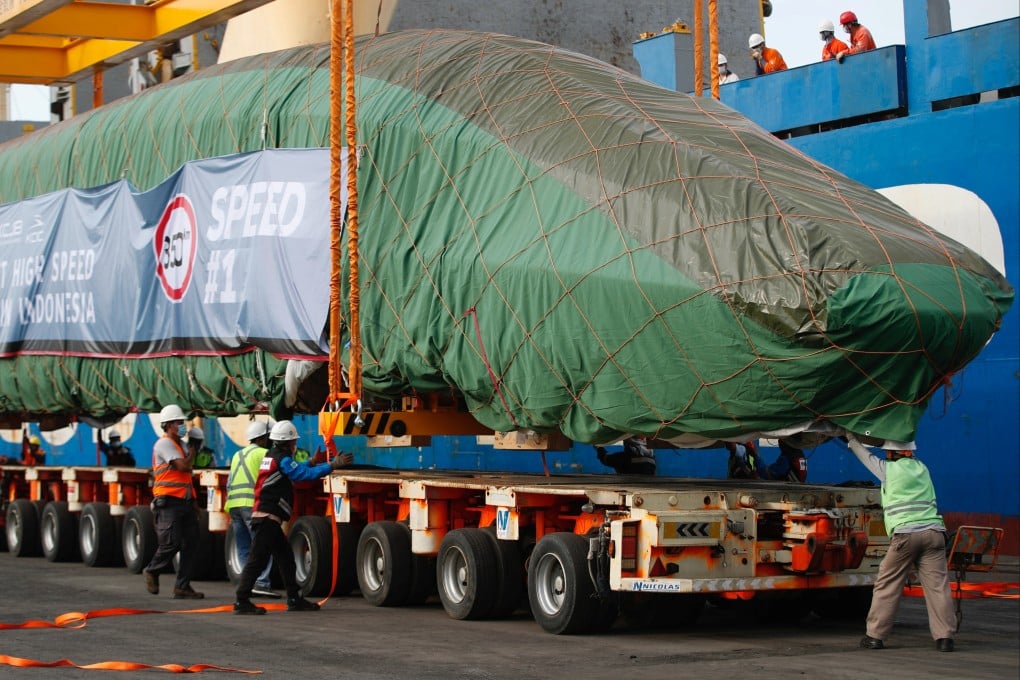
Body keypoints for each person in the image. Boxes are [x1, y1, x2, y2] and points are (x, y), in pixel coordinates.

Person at [846, 435, 956, 652]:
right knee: (938, 587)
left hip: (906, 536)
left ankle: (875, 636)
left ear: (895, 453)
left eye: (888, 451)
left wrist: (850, 438)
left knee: (887, 584)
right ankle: (945, 638)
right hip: (934, 533)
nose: (886, 454)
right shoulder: (923, 468)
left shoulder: (889, 470)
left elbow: (864, 456)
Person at [234, 420, 352, 615]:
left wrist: (313, 462)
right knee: (258, 560)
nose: (295, 445)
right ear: (288, 443)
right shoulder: (281, 458)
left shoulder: (273, 457)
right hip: (267, 519)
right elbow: (300, 474)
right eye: (293, 441)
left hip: (266, 518)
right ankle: (242, 600)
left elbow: (293, 470)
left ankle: (294, 598)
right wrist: (332, 466)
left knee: (286, 558)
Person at [142, 404, 204, 599]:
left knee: (191, 544)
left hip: (184, 502)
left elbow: (186, 478)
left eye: (182, 422)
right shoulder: (165, 444)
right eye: (179, 422)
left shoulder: (181, 445)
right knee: (172, 542)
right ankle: (152, 569)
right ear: (168, 425)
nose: (182, 425)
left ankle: (182, 586)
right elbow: (184, 466)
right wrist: (193, 448)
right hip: (168, 502)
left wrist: (194, 502)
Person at [225, 420, 279, 598]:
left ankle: (248, 581)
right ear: (263, 438)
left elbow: (229, 482)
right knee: (261, 544)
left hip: (234, 505)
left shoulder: (237, 455)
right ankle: (261, 582)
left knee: (244, 547)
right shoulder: (264, 454)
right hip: (250, 504)